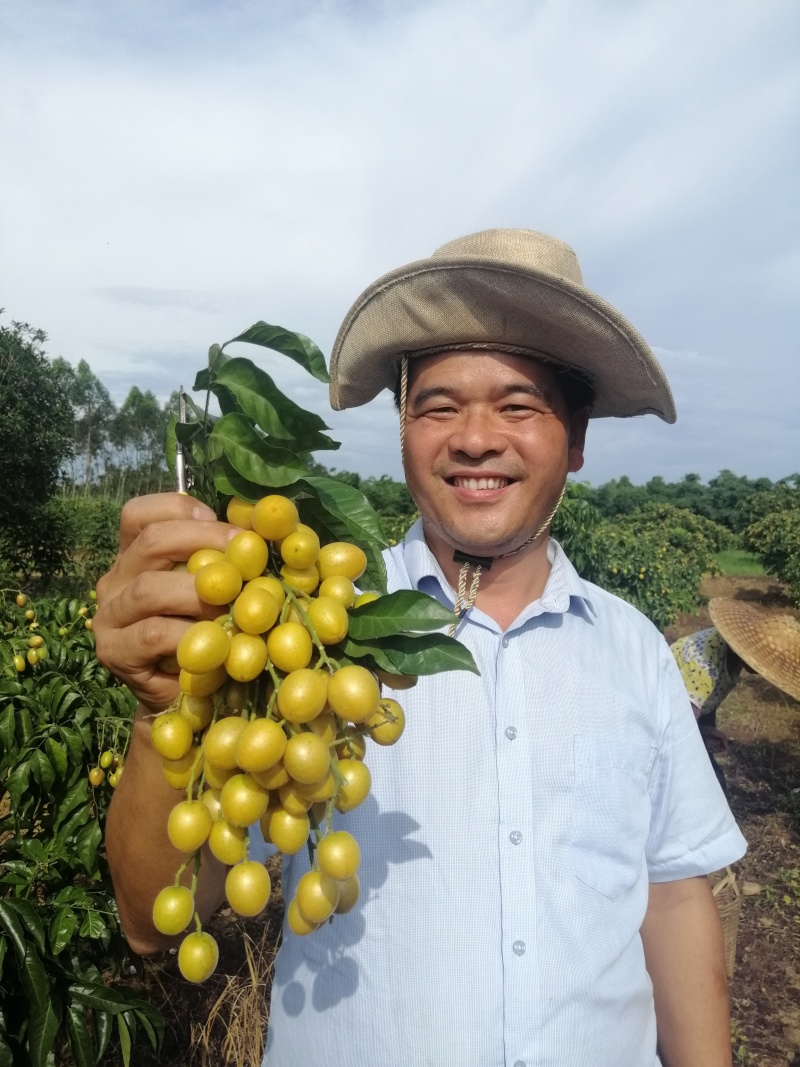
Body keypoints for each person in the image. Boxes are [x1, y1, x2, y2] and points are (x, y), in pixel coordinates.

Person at [94, 229, 747, 1067]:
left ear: (576, 440)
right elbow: (154, 923)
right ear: (401, 428)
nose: (476, 438)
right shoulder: (306, 642)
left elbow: (673, 894)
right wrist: (162, 714)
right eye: (439, 405)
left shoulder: (634, 652)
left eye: (519, 404)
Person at [671, 597, 800, 791]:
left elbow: (704, 702)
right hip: (666, 723)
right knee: (711, 787)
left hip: (684, 718)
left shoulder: (730, 654)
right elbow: (679, 729)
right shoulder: (705, 665)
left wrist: (706, 730)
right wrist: (700, 738)